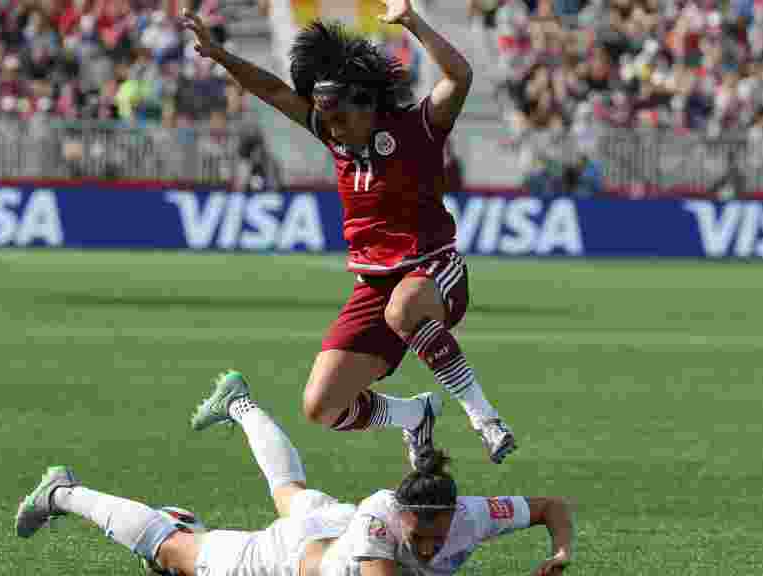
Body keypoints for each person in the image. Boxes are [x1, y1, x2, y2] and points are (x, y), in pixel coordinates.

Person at [180, 0, 517, 467]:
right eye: (327, 120)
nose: (332, 130)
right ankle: (414, 416)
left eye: (339, 118)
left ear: (367, 101)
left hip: (434, 268)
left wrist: (414, 23)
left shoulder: (418, 126)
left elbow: (459, 78)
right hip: (374, 283)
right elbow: (273, 91)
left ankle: (485, 418)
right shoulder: (336, 133)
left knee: (404, 308)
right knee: (322, 406)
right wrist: (221, 56)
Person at [14, 371, 575, 576]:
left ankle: (238, 403)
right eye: (420, 537)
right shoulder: (381, 524)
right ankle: (62, 492)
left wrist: (560, 554)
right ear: (401, 518)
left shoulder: (467, 516)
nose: (429, 547)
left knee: (290, 491)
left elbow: (553, 508)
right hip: (283, 561)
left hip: (330, 525)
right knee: (176, 551)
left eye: (437, 535)